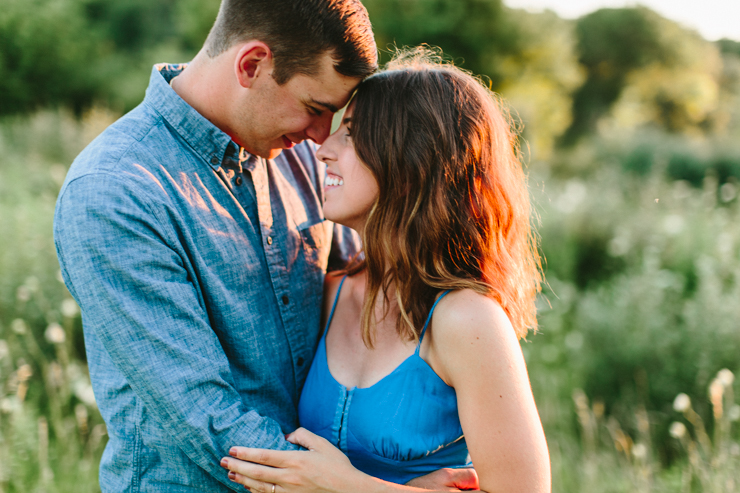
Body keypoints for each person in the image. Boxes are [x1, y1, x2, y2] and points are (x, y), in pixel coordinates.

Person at [53, 1, 378, 491]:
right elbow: (205, 415)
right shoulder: (114, 191)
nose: (319, 135)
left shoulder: (300, 158)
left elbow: (364, 310)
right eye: (315, 109)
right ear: (252, 65)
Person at [220, 51, 552, 493]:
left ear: (412, 159)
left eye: (353, 135)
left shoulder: (467, 320)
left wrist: (346, 487)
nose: (324, 149)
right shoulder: (332, 290)